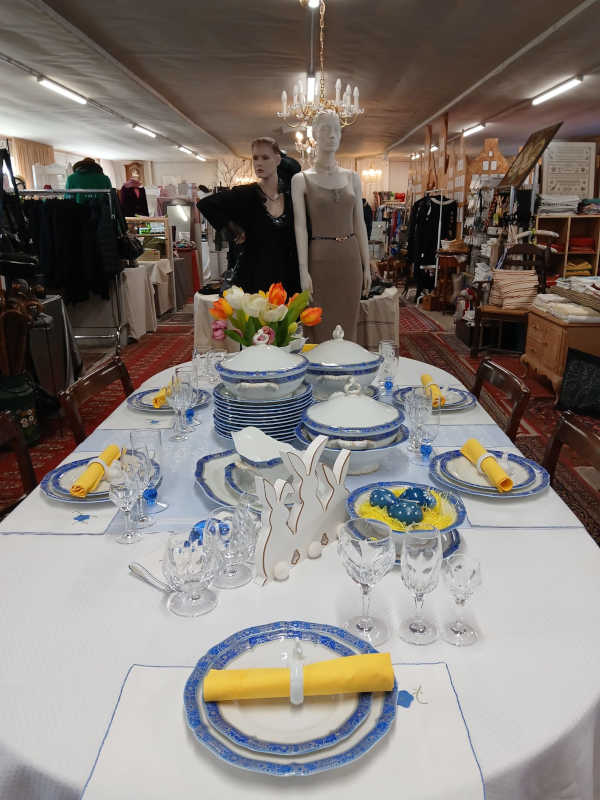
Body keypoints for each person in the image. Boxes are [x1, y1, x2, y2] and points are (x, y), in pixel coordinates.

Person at [291, 110, 370, 343]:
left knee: (348, 326)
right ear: (314, 134)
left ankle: (348, 365)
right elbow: (300, 227)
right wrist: (303, 270)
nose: (333, 135)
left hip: (350, 260)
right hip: (319, 260)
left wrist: (366, 265)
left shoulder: (352, 177)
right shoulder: (301, 179)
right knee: (319, 324)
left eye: (337, 129)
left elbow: (360, 223)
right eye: (326, 129)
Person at [196, 138, 300, 294]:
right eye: (255, 158)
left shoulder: (291, 197)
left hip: (287, 277)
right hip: (253, 277)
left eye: (265, 157)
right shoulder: (244, 194)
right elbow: (206, 204)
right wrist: (233, 229)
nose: (259, 163)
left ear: (278, 160)